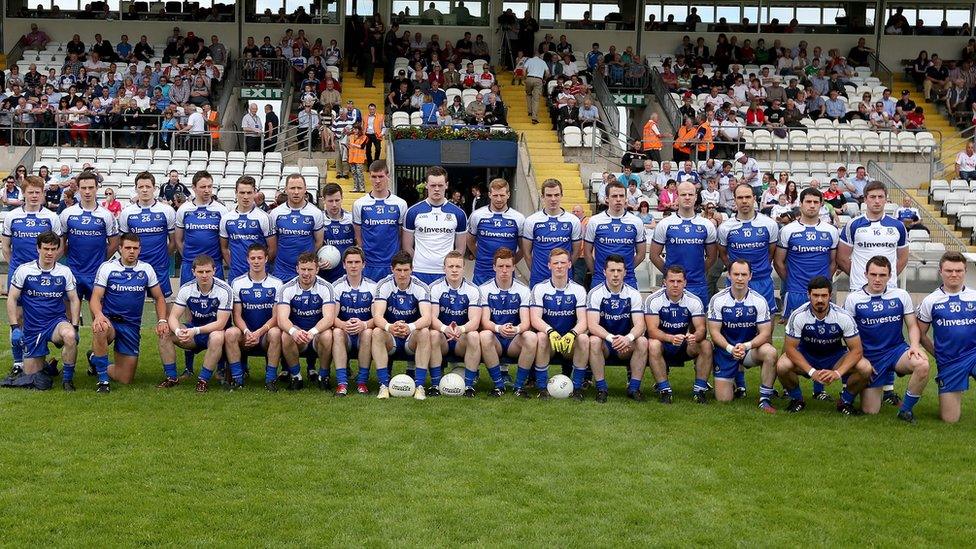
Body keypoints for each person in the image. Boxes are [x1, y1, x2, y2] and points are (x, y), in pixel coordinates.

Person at [844, 256, 930, 422]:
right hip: (870, 356)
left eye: (882, 275)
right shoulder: (853, 299)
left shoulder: (900, 295)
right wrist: (858, 358)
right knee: (870, 411)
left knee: (922, 364)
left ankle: (905, 411)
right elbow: (847, 334)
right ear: (865, 274)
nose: (877, 279)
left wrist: (914, 345)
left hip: (896, 351)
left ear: (890, 276)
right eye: (873, 274)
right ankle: (848, 395)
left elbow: (912, 325)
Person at [777, 276, 871, 415]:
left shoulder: (843, 316)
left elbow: (857, 350)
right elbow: (790, 349)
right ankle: (797, 399)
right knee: (782, 365)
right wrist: (811, 372)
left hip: (834, 358)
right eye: (815, 295)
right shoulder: (798, 315)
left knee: (865, 368)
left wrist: (837, 373)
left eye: (824, 295)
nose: (820, 300)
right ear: (808, 295)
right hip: (807, 356)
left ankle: (845, 401)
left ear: (830, 296)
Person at [88, 233, 170, 392]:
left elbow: (159, 297)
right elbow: (95, 297)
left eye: (135, 248)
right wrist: (99, 315)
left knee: (125, 379)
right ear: (120, 249)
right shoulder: (108, 267)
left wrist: (162, 320)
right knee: (100, 328)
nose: (131, 251)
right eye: (127, 248)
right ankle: (103, 381)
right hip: (110, 321)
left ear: (140, 250)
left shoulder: (146, 269)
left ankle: (94, 359)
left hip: (131, 326)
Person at [6, 232, 80, 389]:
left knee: (69, 335)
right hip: (33, 328)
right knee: (32, 375)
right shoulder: (24, 271)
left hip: (55, 323)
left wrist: (74, 326)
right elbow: (12, 298)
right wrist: (14, 328)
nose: (50, 253)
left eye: (53, 249)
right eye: (46, 248)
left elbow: (74, 299)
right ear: (38, 248)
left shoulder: (64, 272)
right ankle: (47, 366)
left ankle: (67, 380)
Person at [706, 260, 779, 411]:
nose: (739, 278)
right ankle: (735, 381)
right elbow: (714, 332)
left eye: (743, 274)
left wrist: (746, 346)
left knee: (770, 352)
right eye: (736, 274)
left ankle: (765, 398)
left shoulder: (759, 300)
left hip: (748, 349)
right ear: (729, 275)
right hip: (726, 351)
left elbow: (765, 333)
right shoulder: (718, 299)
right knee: (724, 400)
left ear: (750, 276)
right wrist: (730, 348)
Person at [916, 251, 976, 423]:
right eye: (949, 270)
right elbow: (921, 334)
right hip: (950, 361)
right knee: (949, 419)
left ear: (965, 271)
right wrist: (938, 354)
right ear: (941, 271)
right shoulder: (930, 301)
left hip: (973, 354)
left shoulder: (974, 296)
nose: (954, 274)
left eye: (959, 270)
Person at [160, 255, 233, 392]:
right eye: (200, 272)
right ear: (193, 272)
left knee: (217, 336)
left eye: (207, 271)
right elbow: (173, 317)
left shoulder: (225, 289)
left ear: (214, 271)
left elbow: (221, 324)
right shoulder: (186, 289)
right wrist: (177, 331)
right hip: (194, 332)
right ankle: (171, 377)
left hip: (217, 334)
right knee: (165, 332)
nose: (204, 275)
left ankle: (203, 380)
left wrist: (195, 331)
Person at [584, 254, 648, 403]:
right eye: (612, 270)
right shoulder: (596, 293)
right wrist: (610, 338)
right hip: (605, 343)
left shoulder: (633, 294)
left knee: (643, 341)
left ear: (625, 272)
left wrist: (628, 338)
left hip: (625, 345)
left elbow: (640, 325)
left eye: (619, 271)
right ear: (604, 271)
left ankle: (634, 388)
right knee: (593, 341)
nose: (616, 275)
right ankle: (601, 388)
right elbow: (592, 325)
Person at [645, 265, 713, 404]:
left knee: (705, 345)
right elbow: (652, 330)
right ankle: (664, 390)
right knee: (653, 344)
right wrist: (670, 338)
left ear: (685, 283)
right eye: (671, 281)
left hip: (684, 345)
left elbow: (701, 329)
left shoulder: (694, 300)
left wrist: (695, 336)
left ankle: (699, 390)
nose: (675, 285)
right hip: (663, 343)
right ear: (664, 282)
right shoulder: (654, 300)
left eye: (679, 281)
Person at [370, 251, 432, 399]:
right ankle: (384, 385)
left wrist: (410, 327)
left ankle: (420, 386)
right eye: (398, 270)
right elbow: (377, 316)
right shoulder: (384, 285)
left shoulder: (421, 287)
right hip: (391, 335)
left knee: (424, 332)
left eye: (406, 270)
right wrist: (389, 327)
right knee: (377, 332)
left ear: (412, 269)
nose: (402, 274)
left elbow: (427, 318)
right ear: (392, 269)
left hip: (411, 336)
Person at [478, 247, 537, 397]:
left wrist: (516, 330)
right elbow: (484, 321)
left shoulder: (523, 290)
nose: (504, 270)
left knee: (531, 337)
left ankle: (518, 387)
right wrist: (498, 328)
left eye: (508, 266)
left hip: (514, 341)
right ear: (494, 267)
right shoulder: (484, 289)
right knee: (484, 335)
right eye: (500, 266)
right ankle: (499, 386)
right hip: (495, 339)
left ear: (513, 267)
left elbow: (526, 322)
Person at [530, 248, 589, 398]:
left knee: (583, 338)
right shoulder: (540, 288)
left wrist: (572, 333)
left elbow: (583, 320)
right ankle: (542, 388)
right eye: (555, 263)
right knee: (541, 337)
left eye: (563, 262)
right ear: (549, 265)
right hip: (550, 343)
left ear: (570, 264)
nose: (559, 266)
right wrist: (550, 331)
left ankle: (576, 388)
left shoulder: (579, 290)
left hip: (569, 343)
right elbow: (535, 318)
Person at [425, 251, 485, 398]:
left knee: (474, 335)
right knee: (432, 333)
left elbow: (475, 321)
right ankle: (435, 384)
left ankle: (469, 386)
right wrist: (445, 329)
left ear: (463, 268)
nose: (454, 269)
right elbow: (432, 318)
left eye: (458, 266)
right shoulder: (434, 288)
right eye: (450, 266)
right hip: (443, 338)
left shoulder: (473, 289)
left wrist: (461, 329)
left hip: (461, 340)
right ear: (444, 268)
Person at [774, 188, 840, 322]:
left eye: (816, 202)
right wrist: (791, 280)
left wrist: (825, 280)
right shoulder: (788, 230)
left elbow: (834, 262)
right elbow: (778, 262)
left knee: (824, 331)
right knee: (793, 333)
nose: (812, 205)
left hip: (822, 291)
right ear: (801, 203)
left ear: (821, 204)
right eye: (808, 201)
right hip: (795, 291)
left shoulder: (831, 231)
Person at [226, 243, 283, 391]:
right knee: (230, 333)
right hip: (246, 335)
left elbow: (277, 317)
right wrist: (247, 332)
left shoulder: (277, 284)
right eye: (253, 258)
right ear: (247, 260)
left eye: (259, 258)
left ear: (266, 259)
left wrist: (259, 333)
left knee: (276, 332)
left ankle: (270, 380)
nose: (256, 261)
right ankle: (238, 379)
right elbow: (236, 315)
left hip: (265, 336)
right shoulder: (237, 283)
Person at [650, 181, 717, 307]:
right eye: (683, 194)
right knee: (670, 324)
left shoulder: (706, 225)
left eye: (690, 194)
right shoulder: (665, 224)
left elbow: (712, 257)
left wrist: (699, 271)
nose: (687, 197)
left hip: (698, 284)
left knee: (698, 325)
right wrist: (670, 274)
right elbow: (654, 255)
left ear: (696, 197)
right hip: (673, 285)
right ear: (677, 196)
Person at [277, 252, 336, 391]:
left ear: (317, 270)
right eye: (303, 269)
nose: (306, 273)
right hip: (298, 333)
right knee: (286, 335)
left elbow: (329, 318)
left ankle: (323, 376)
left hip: (316, 334)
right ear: (297, 269)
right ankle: (296, 376)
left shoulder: (327, 287)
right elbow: (282, 319)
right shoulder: (286, 288)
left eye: (310, 269)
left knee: (328, 335)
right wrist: (294, 331)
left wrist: (313, 332)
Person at [717, 184, 779, 315]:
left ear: (754, 198)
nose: (744, 201)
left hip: (762, 281)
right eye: (740, 197)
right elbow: (723, 254)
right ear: (734, 200)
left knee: (766, 325)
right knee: (735, 325)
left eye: (747, 197)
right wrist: (736, 270)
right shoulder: (725, 227)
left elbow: (771, 252)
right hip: (736, 283)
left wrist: (760, 268)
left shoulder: (769, 224)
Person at [59, 171, 119, 302]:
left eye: (91, 188)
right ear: (78, 189)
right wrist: (70, 256)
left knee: (98, 317)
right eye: (83, 188)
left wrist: (100, 259)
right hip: (73, 271)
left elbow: (114, 243)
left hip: (97, 273)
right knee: (70, 318)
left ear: (97, 188)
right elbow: (61, 241)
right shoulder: (67, 213)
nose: (87, 191)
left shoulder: (106, 215)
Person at [837, 181, 908, 293]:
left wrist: (887, 276)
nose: (877, 201)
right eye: (872, 197)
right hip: (859, 288)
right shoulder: (853, 225)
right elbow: (842, 258)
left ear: (886, 199)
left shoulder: (898, 226)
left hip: (889, 288)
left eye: (880, 197)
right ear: (865, 199)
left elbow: (903, 258)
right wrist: (859, 275)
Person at [403, 166, 467, 284]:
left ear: (446, 185)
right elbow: (407, 247)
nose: (437, 189)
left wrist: (451, 266)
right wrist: (420, 261)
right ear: (427, 185)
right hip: (419, 271)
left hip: (445, 273)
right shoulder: (413, 212)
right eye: (433, 185)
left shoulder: (458, 214)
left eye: (440, 185)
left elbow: (460, 248)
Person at [118, 173, 177, 300]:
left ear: (154, 188)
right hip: (134, 266)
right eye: (141, 187)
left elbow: (173, 241)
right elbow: (122, 242)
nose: (144, 190)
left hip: (159, 267)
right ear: (136, 189)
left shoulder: (166, 211)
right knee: (131, 304)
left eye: (148, 186)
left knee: (163, 303)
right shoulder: (127, 213)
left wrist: (164, 256)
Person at [331, 246, 377, 396]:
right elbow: (332, 317)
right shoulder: (336, 286)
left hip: (363, 333)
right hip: (346, 335)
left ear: (363, 264)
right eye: (350, 262)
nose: (353, 265)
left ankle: (362, 382)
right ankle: (342, 383)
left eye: (357, 262)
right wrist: (343, 325)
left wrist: (363, 325)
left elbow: (377, 317)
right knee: (337, 332)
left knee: (369, 332)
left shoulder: (373, 286)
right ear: (344, 264)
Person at [583, 181, 647, 289]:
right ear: (606, 199)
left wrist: (626, 270)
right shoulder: (595, 221)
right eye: (614, 196)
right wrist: (599, 272)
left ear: (626, 198)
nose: (618, 199)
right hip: (600, 278)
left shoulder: (636, 222)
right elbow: (587, 253)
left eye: (621, 196)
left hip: (628, 278)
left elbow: (641, 254)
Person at [353, 160, 408, 282]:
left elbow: (400, 234)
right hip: (368, 264)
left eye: (381, 176)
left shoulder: (400, 204)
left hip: (392, 264)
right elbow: (358, 235)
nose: (377, 181)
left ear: (387, 176)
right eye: (374, 177)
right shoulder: (359, 204)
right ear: (370, 177)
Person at [521, 178, 582, 288]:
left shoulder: (573, 221)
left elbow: (576, 252)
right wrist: (536, 271)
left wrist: (563, 269)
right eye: (549, 195)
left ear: (561, 196)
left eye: (556, 195)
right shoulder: (531, 221)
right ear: (543, 197)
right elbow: (527, 254)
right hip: (539, 278)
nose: (553, 199)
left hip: (564, 277)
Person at [467, 178, 525, 285]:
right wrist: (480, 257)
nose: (499, 199)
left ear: (508, 194)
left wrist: (509, 263)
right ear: (489, 194)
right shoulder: (477, 215)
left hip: (506, 273)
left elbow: (523, 248)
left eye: (502, 195)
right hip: (482, 273)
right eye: (495, 195)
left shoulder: (518, 218)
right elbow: (470, 241)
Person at [219, 176, 275, 282]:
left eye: (249, 193)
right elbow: (224, 248)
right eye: (242, 193)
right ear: (236, 193)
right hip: (236, 275)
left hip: (260, 275)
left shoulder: (264, 217)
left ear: (254, 193)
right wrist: (233, 266)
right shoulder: (226, 219)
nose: (245, 197)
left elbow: (272, 249)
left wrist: (260, 266)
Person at [175, 171, 227, 285]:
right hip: (190, 265)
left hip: (214, 265)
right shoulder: (184, 209)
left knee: (216, 300)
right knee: (189, 300)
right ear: (194, 188)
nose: (207, 190)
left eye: (210, 186)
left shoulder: (221, 210)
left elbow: (225, 242)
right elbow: (178, 240)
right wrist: (189, 258)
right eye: (203, 187)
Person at [269, 174, 325, 281]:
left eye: (299, 188)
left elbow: (318, 242)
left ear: (305, 190)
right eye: (292, 188)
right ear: (286, 190)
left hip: (305, 271)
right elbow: (273, 243)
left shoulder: (315, 213)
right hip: (281, 270)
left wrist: (307, 261)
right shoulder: (275, 213)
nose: (296, 192)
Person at [320, 183, 356, 283]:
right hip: (325, 274)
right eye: (330, 201)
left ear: (342, 198)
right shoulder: (319, 219)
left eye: (337, 200)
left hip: (347, 275)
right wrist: (316, 263)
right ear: (324, 200)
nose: (334, 204)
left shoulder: (351, 219)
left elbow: (358, 244)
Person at [523, 49, 549, 124]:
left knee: (528, 94)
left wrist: (525, 78)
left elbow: (523, 70)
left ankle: (529, 111)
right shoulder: (543, 62)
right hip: (538, 80)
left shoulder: (529, 60)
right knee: (536, 99)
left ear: (533, 55)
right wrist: (544, 79)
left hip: (529, 78)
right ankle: (534, 117)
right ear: (539, 55)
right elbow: (547, 73)